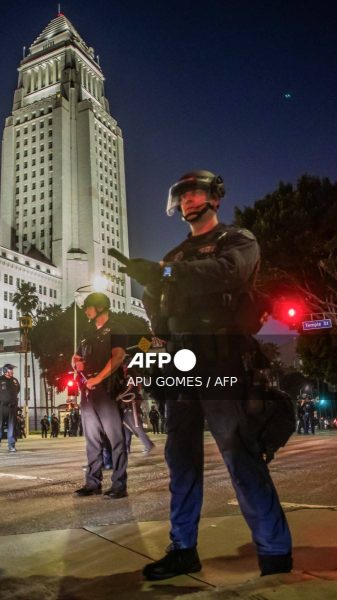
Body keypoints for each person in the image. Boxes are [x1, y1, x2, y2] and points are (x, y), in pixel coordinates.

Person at [120, 170, 292, 579]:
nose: (188, 201)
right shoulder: (175, 254)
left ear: (214, 197)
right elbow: (154, 303)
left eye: (195, 193)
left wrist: (165, 275)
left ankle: (274, 553)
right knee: (181, 461)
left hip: (223, 358)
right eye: (182, 196)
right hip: (182, 360)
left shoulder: (238, 239)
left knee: (240, 455)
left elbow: (228, 272)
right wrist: (157, 299)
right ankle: (183, 549)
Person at [72, 292, 129, 499]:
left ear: (101, 307)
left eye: (89, 307)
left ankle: (119, 484)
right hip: (88, 390)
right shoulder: (87, 334)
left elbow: (118, 357)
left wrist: (98, 378)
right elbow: (76, 357)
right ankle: (92, 482)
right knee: (92, 439)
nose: (86, 310)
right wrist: (76, 363)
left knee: (115, 438)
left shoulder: (117, 329)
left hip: (107, 389)